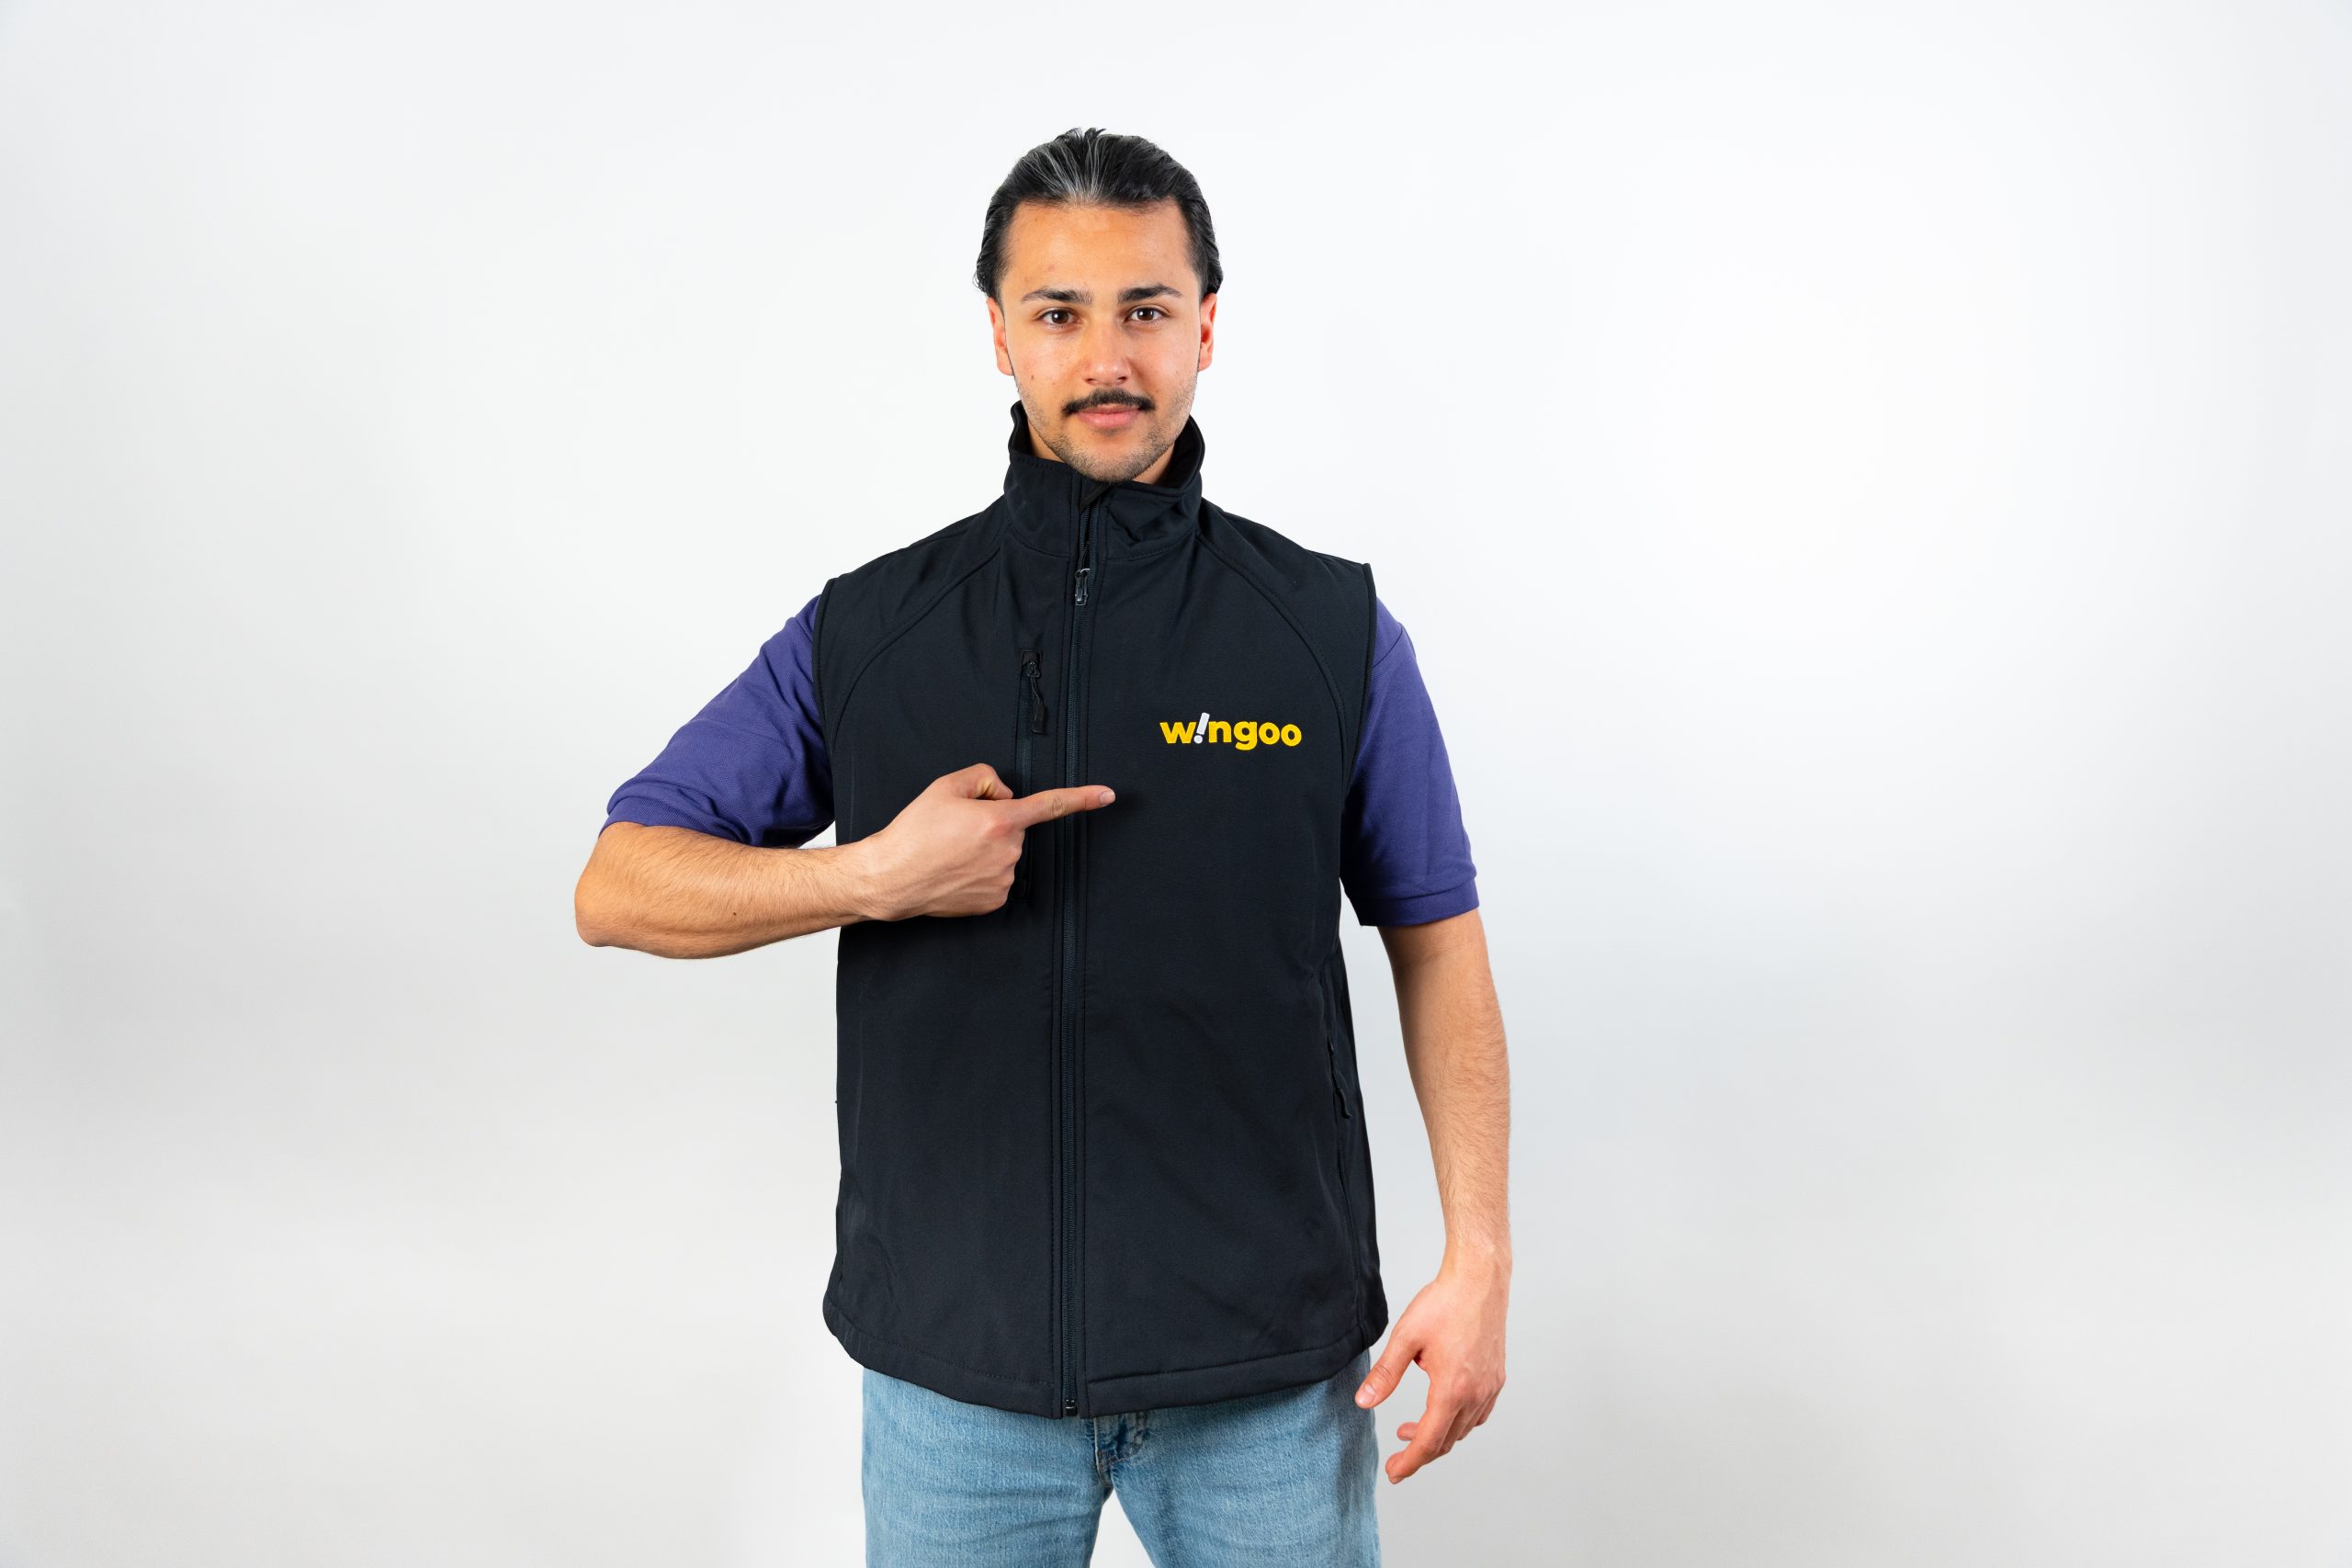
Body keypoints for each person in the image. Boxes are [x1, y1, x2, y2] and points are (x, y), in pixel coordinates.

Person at [574, 127, 1510, 1568]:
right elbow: (617, 883)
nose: (1107, 357)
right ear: (1000, 336)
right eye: (1060, 313)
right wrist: (872, 877)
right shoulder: (871, 633)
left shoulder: (1330, 636)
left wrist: (1481, 1258)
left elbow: (1437, 942)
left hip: (1263, 1379)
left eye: (1147, 309)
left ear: (1206, 326)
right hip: (958, 1382)